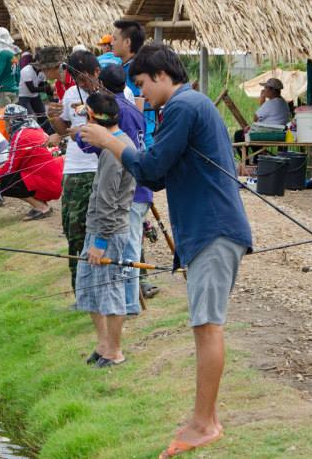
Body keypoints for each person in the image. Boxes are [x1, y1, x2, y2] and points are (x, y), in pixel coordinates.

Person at [80, 43, 252, 457]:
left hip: (212, 229)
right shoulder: (184, 107)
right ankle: (202, 418)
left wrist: (111, 140)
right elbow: (156, 175)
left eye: (140, 85)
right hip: (205, 230)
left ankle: (204, 423)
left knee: (207, 325)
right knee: (203, 324)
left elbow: (151, 169)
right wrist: (120, 145)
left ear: (160, 75)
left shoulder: (183, 106)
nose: (140, 95)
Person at [75, 64, 155, 311]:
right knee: (130, 249)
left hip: (130, 193)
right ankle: (129, 303)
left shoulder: (113, 145)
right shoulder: (132, 108)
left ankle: (129, 305)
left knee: (125, 255)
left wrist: (99, 243)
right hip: (140, 190)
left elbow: (107, 198)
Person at [74, 92, 136, 368]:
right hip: (96, 228)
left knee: (109, 289)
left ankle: (115, 352)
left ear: (93, 119)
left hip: (108, 233)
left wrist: (100, 241)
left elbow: (110, 201)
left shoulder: (115, 150)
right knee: (89, 288)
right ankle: (103, 345)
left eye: (85, 118)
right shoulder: (112, 145)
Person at [48, 49, 101, 290]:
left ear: (96, 73)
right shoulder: (70, 94)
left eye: (83, 78)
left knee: (97, 227)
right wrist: (54, 118)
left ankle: (98, 286)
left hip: (98, 168)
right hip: (73, 169)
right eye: (76, 79)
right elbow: (62, 130)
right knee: (72, 228)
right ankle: (79, 289)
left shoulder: (112, 93)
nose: (80, 84)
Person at [0, 103, 62, 219]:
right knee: (8, 174)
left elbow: (10, 168)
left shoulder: (21, 135)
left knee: (7, 180)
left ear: (11, 121)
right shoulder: (36, 130)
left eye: (5, 121)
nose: (5, 124)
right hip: (56, 182)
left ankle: (41, 208)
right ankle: (41, 203)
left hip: (48, 184)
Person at [113, 19, 157, 146]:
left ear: (127, 42)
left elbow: (139, 106)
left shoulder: (137, 69)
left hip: (139, 136)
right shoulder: (123, 66)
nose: (111, 43)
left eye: (115, 39)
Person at [234, 78, 291, 143]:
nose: (264, 90)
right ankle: (257, 153)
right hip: (278, 132)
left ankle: (246, 153)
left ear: (272, 90)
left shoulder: (271, 103)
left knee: (238, 135)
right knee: (250, 131)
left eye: (266, 88)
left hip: (267, 133)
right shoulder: (284, 103)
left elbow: (255, 118)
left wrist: (262, 100)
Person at [0, 27, 20, 106]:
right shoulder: (13, 55)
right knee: (13, 117)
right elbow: (18, 75)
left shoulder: (2, 54)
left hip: (3, 92)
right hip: (14, 91)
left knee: (2, 117)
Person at [17, 51, 46, 119]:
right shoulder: (26, 71)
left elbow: (42, 84)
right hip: (23, 96)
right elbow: (32, 89)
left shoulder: (42, 72)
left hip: (35, 96)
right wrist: (48, 88)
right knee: (30, 117)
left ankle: (46, 129)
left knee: (42, 115)